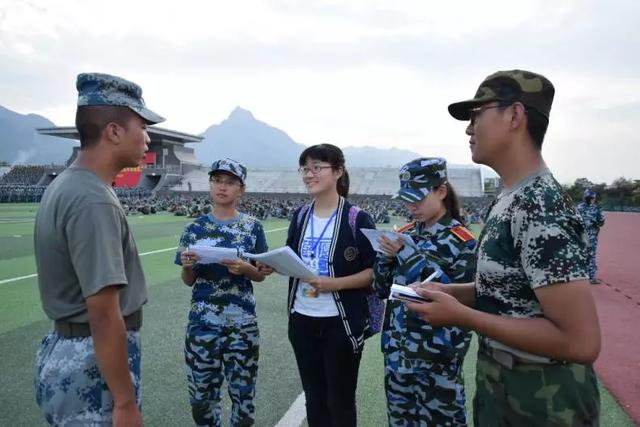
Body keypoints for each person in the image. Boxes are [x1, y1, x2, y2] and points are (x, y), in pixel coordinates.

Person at [408, 70, 601, 426]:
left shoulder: (541, 204)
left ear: (514, 116)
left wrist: (463, 316)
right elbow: (510, 292)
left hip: (545, 399)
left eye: (477, 115)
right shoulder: (512, 196)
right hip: (504, 385)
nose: (469, 129)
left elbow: (580, 341)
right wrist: (449, 292)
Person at [34, 73, 165, 426]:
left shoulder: (68, 185)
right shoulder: (93, 200)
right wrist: (123, 403)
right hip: (91, 366)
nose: (148, 137)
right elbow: (105, 313)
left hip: (72, 352)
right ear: (114, 131)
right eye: (142, 125)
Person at [372, 157, 476, 426]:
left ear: (441, 191)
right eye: (406, 199)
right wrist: (384, 259)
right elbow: (382, 290)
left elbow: (462, 300)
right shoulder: (405, 234)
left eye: (417, 198)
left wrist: (406, 254)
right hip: (397, 356)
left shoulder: (463, 242)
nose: (411, 206)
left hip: (436, 362)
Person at [279, 143, 376, 427]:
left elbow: (374, 272)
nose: (309, 174)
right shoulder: (300, 216)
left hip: (340, 324)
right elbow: (290, 256)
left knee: (341, 401)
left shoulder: (356, 218)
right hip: (302, 320)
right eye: (305, 169)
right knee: (315, 399)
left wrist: (335, 283)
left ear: (338, 171)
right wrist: (270, 264)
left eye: (317, 168)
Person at [176, 158, 269, 426]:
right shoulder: (194, 228)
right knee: (202, 400)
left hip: (241, 325)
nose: (222, 187)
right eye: (217, 180)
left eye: (230, 182)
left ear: (241, 189)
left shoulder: (253, 227)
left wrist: (244, 268)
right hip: (202, 325)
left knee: (243, 399)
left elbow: (261, 275)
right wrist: (187, 266)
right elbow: (188, 280)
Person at [576, 189, 605, 284]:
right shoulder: (597, 209)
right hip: (591, 235)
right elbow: (601, 222)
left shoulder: (578, 208)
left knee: (580, 254)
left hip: (580, 235)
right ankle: (591, 276)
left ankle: (579, 276)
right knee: (591, 255)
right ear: (593, 198)